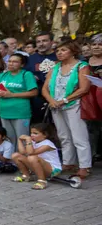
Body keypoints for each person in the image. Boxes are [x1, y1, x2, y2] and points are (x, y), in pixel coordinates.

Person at [42, 40, 92, 178]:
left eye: (63, 50)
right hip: (56, 106)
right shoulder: (55, 67)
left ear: (73, 51)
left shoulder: (81, 66)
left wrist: (64, 100)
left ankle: (85, 166)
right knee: (63, 136)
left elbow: (84, 88)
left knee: (79, 136)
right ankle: (68, 162)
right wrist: (51, 100)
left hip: (73, 105)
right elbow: (45, 88)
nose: (59, 53)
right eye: (58, 50)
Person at [0, 52, 37, 143]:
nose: (11, 64)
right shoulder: (3, 75)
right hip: (4, 111)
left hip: (20, 112)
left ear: (22, 64)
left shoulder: (26, 74)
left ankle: (23, 153)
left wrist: (12, 95)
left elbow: (34, 92)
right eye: (9, 61)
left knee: (22, 139)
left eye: (15, 62)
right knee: (9, 139)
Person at [12, 123, 62, 190]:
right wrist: (19, 140)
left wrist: (28, 140)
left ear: (45, 135)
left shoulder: (48, 144)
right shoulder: (33, 142)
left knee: (32, 157)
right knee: (16, 155)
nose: (32, 135)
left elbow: (31, 153)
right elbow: (22, 152)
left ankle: (42, 181)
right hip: (38, 166)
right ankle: (26, 175)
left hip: (53, 170)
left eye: (35, 133)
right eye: (31, 133)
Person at [27, 32, 59, 124]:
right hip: (38, 97)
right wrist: (30, 77)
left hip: (58, 95)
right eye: (38, 42)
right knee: (39, 125)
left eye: (44, 41)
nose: (41, 44)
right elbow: (24, 75)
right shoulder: (30, 59)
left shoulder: (59, 56)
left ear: (52, 42)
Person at [84, 34, 102, 162]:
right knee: (90, 128)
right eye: (94, 44)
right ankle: (91, 155)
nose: (96, 47)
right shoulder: (83, 62)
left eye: (100, 44)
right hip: (89, 99)